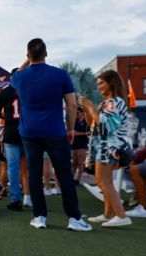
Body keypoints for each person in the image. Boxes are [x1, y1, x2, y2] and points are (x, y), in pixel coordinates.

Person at [10, 38, 91, 231]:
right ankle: (74, 218)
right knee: (64, 174)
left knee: (34, 174)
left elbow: (15, 73)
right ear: (46, 53)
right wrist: (70, 129)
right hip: (55, 132)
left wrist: (28, 60)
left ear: (28, 56)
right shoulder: (60, 75)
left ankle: (39, 217)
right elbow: (72, 105)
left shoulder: (20, 77)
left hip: (29, 133)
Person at [81, 70, 135, 226]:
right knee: (103, 181)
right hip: (105, 146)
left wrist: (90, 106)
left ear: (111, 83)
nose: (98, 87)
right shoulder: (107, 102)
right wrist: (87, 109)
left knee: (104, 182)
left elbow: (106, 126)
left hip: (111, 146)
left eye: (101, 83)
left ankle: (121, 215)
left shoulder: (116, 102)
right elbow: (93, 123)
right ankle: (108, 214)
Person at [0, 71, 30, 211]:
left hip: (11, 133)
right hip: (27, 133)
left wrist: (6, 115)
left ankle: (16, 199)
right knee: (26, 169)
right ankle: (28, 197)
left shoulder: (6, 91)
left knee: (12, 168)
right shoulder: (28, 88)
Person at [71, 101, 91, 185]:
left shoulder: (87, 122)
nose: (77, 114)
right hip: (74, 145)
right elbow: (72, 132)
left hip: (82, 145)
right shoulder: (75, 121)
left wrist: (78, 134)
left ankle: (78, 179)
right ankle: (71, 178)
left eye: (78, 112)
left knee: (81, 163)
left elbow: (89, 133)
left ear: (82, 113)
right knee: (74, 163)